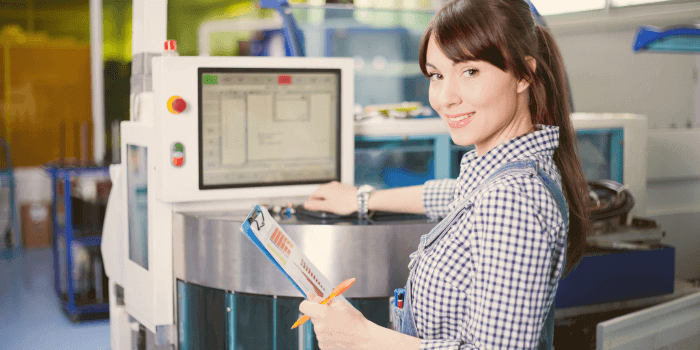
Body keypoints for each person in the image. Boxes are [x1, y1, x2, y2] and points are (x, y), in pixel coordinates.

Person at [299, 0, 591, 348]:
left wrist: (360, 337)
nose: (445, 98)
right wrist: (363, 199)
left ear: (524, 74)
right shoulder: (504, 172)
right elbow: (454, 195)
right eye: (437, 75)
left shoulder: (512, 198)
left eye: (470, 71)